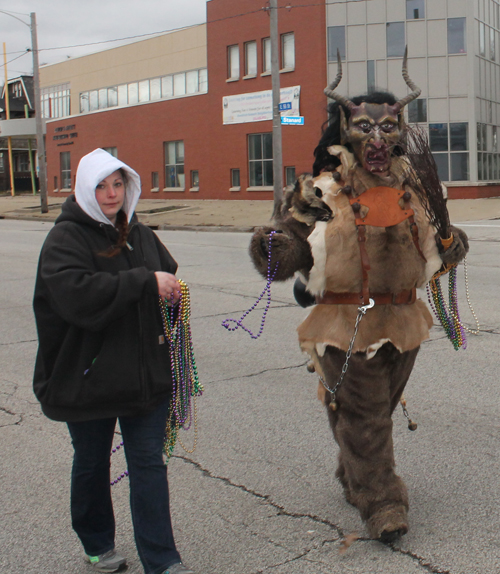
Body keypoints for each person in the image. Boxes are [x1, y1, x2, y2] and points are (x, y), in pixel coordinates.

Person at [249, 55, 469, 541]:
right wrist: (274, 242)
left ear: (400, 131)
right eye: (365, 127)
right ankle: (383, 504)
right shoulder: (323, 191)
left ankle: (353, 469)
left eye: (388, 128)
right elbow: (282, 256)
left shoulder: (416, 187)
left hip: (404, 320)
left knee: (372, 412)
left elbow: (440, 250)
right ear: (344, 129)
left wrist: (454, 245)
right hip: (344, 324)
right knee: (367, 416)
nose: (377, 139)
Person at [33, 148, 195, 574]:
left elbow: (165, 275)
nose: (111, 195)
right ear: (85, 189)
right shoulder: (66, 238)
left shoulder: (139, 233)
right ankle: (97, 543)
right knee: (91, 463)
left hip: (143, 378)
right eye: (102, 186)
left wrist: (172, 293)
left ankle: (162, 561)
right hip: (89, 380)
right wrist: (144, 283)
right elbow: (76, 297)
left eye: (118, 184)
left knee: (148, 465)